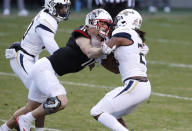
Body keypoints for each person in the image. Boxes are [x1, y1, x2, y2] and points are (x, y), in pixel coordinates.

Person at [15, 8, 115, 131]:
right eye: (102, 23)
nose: (105, 27)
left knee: (32, 106)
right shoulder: (83, 32)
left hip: (49, 70)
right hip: (45, 68)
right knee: (59, 101)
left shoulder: (99, 40)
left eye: (107, 25)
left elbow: (112, 66)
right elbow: (89, 51)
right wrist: (101, 51)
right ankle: (25, 119)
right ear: (92, 21)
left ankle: (5, 127)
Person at [1, 0, 71, 131]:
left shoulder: (48, 15)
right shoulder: (47, 19)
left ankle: (12, 126)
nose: (64, 11)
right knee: (39, 100)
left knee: (40, 99)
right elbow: (50, 44)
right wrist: (63, 60)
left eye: (65, 7)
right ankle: (6, 127)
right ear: (51, 6)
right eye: (61, 7)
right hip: (23, 59)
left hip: (31, 58)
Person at [90, 9, 151, 131]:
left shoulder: (124, 31)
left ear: (124, 20)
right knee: (112, 115)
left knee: (97, 111)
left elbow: (108, 47)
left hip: (135, 85)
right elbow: (116, 70)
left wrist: (96, 52)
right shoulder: (135, 37)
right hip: (140, 85)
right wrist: (102, 59)